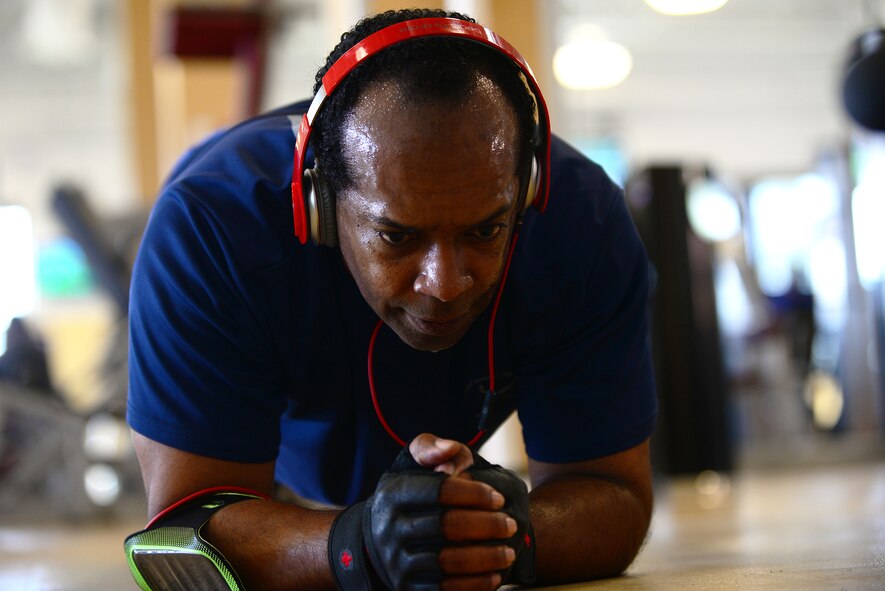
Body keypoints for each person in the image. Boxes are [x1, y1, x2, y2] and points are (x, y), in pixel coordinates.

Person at [125, 8, 657, 591]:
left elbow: (615, 493)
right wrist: (360, 548)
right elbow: (179, 540)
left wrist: (504, 527)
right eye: (398, 236)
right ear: (318, 206)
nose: (445, 283)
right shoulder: (210, 231)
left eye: (485, 230)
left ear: (525, 189)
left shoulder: (584, 225)